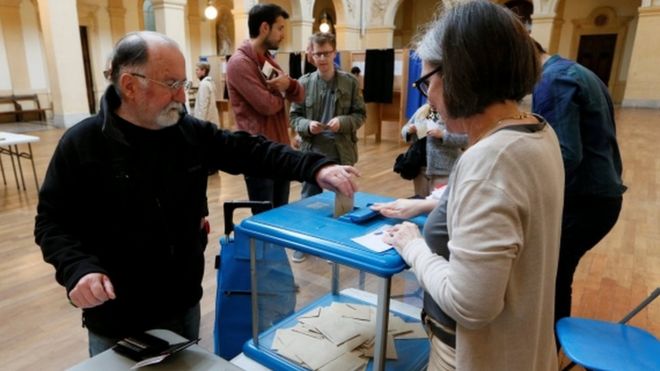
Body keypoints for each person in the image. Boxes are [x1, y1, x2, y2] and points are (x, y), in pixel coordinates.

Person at [33, 30, 359, 357]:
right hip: (115, 316)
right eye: (171, 85)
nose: (181, 97)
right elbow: (51, 222)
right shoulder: (82, 144)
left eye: (184, 84)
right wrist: (77, 268)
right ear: (130, 85)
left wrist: (315, 167)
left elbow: (250, 150)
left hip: (182, 303)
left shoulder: (186, 132)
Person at [379, 1, 564, 369]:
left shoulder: (488, 162)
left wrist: (413, 246)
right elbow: (504, 205)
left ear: (458, 74)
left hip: (472, 354)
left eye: (428, 81)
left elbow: (470, 304)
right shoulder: (538, 130)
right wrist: (429, 204)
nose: (428, 95)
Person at [532, 41, 626, 328]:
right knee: (557, 274)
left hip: (585, 200)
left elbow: (564, 154)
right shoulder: (578, 71)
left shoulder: (552, 80)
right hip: (602, 195)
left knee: (553, 277)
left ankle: (548, 351)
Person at [289, 32, 366, 262]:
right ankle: (304, 242)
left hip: (341, 151)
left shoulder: (350, 83)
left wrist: (343, 122)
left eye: (326, 53)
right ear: (310, 55)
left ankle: (336, 244)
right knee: (308, 199)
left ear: (334, 52)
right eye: (317, 53)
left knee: (342, 199)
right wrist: (306, 125)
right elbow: (294, 118)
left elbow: (361, 115)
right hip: (312, 153)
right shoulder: (302, 84)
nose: (322, 58)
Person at [226, 3, 304, 212]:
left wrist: (288, 86)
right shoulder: (239, 63)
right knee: (265, 219)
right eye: (280, 28)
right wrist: (283, 94)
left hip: (280, 150)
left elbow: (300, 95)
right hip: (258, 154)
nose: (283, 34)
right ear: (264, 28)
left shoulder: (269, 60)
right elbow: (266, 106)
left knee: (282, 216)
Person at [400, 103, 467, 197]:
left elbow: (466, 139)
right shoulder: (423, 110)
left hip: (443, 172)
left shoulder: (455, 112)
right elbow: (404, 130)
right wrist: (409, 130)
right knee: (420, 204)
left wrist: (443, 135)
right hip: (420, 169)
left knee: (438, 205)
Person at [192, 61, 220, 126]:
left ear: (203, 71)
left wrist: (199, 124)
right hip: (210, 121)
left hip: (205, 121)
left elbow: (203, 106)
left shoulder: (204, 85)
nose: (196, 72)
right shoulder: (210, 82)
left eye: (197, 70)